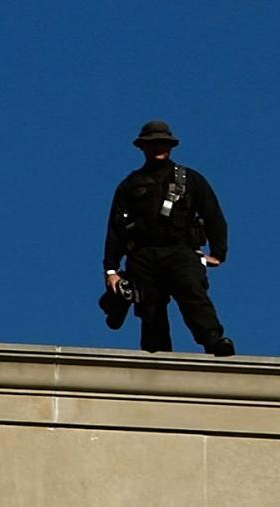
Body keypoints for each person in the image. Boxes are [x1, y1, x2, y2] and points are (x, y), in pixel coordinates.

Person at [103, 120, 235, 356]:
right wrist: (111, 270)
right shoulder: (130, 185)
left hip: (181, 251)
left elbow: (213, 214)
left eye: (164, 143)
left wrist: (218, 253)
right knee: (150, 308)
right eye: (153, 144)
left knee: (192, 293)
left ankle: (213, 341)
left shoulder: (191, 180)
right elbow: (116, 229)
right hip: (143, 255)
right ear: (143, 147)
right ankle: (156, 356)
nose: (159, 148)